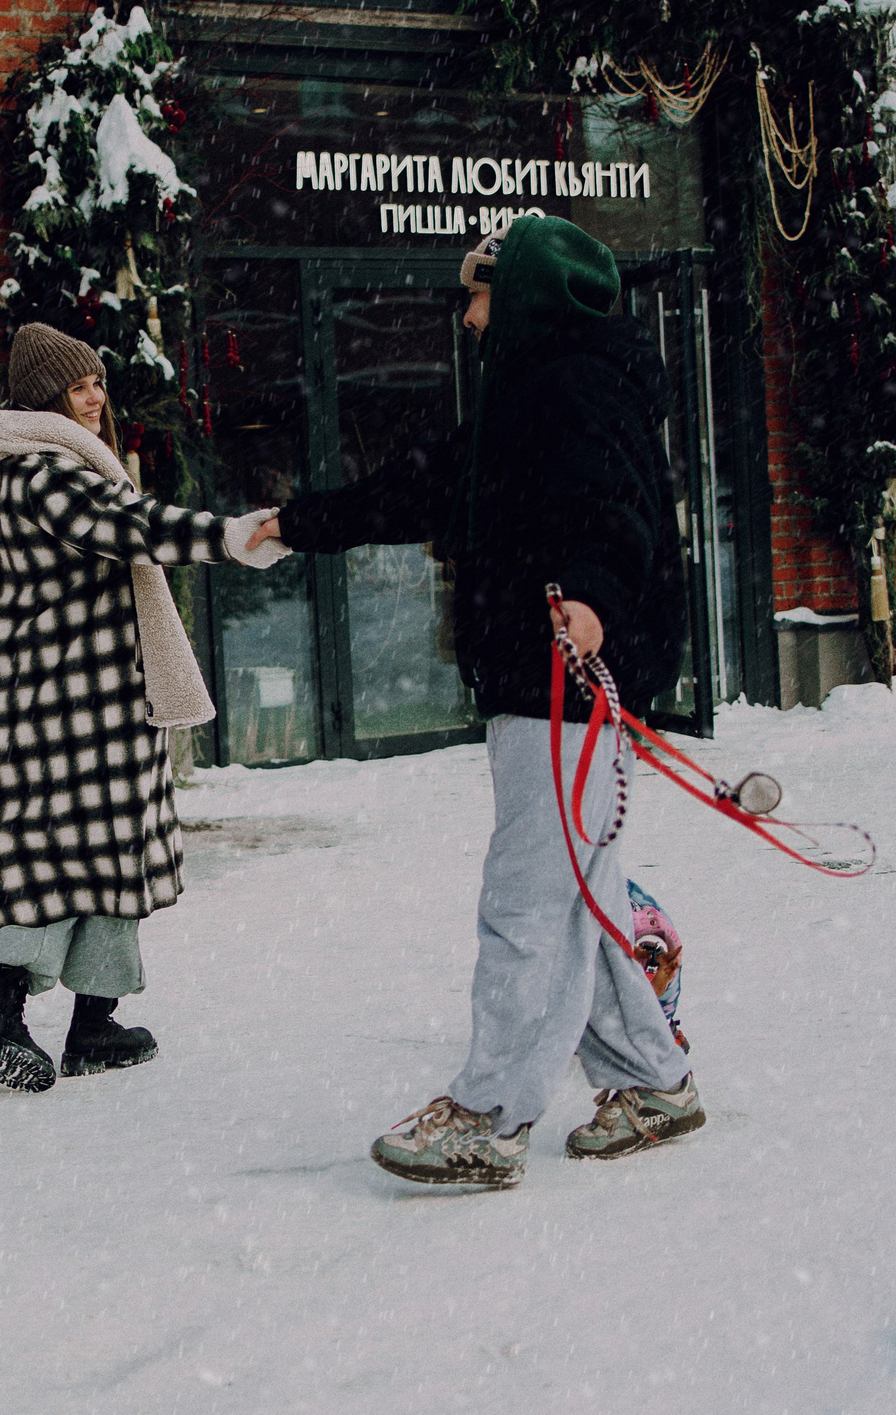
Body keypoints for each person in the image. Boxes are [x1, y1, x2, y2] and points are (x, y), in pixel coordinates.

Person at [247, 217, 700, 1185]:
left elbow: (615, 512)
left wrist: (591, 598)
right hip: (541, 675)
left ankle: (489, 1114)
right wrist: (300, 522)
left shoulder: (575, 388)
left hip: (563, 676)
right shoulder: (530, 393)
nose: (468, 315)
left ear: (529, 296)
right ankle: (652, 1078)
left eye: (482, 293)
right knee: (581, 891)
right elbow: (423, 488)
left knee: (530, 901)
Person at [0, 323, 289, 1092]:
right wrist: (232, 535)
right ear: (45, 398)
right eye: (79, 387)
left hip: (99, 703)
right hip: (59, 713)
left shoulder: (58, 465)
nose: (97, 398)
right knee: (51, 857)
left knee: (109, 854)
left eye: (98, 382)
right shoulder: (41, 474)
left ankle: (92, 1025)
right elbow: (130, 527)